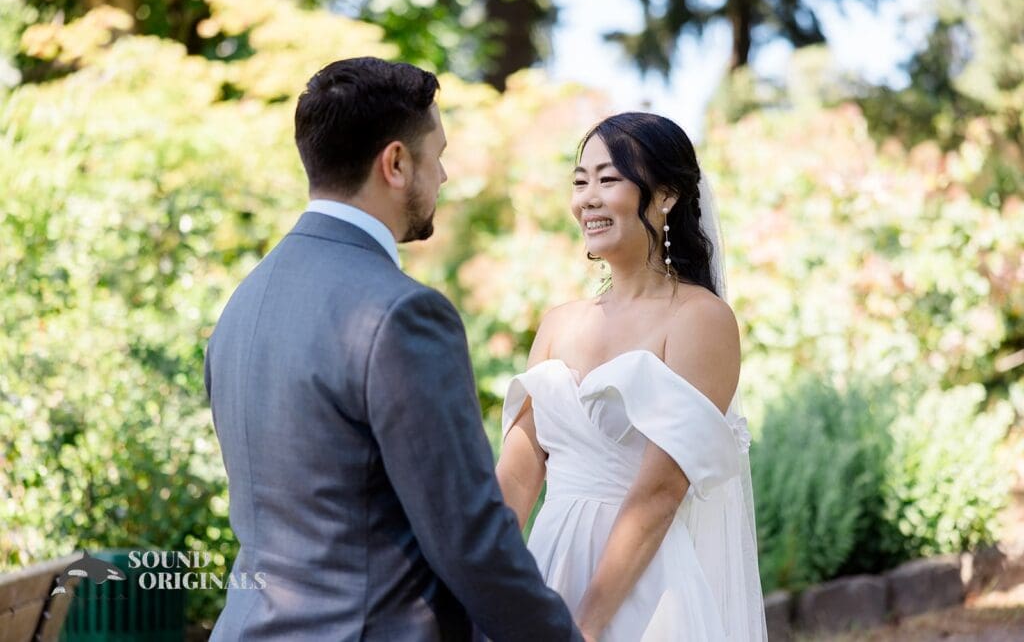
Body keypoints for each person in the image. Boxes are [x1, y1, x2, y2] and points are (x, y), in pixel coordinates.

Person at [205, 57, 581, 642]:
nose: (446, 176)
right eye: (439, 154)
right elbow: (471, 540)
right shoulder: (402, 313)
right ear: (397, 163)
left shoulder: (243, 303)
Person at [496, 112, 768, 641]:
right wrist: (485, 589)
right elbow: (517, 476)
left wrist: (585, 626)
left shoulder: (699, 319)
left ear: (665, 195)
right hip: (545, 571)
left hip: (641, 592)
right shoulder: (558, 323)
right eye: (580, 181)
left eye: (608, 178)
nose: (588, 198)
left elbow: (660, 491)